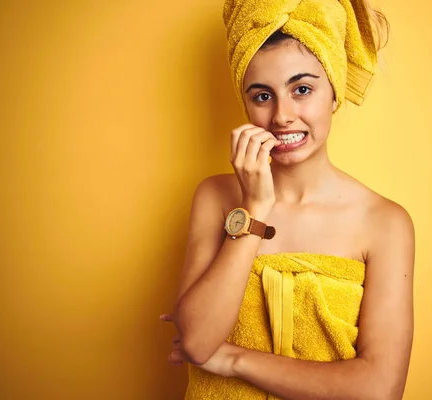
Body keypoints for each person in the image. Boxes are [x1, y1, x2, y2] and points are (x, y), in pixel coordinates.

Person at [160, 0, 415, 398]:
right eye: (262, 96)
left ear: (333, 94)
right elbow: (196, 341)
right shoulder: (216, 196)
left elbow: (378, 390)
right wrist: (254, 209)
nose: (282, 116)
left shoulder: (384, 222)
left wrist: (231, 359)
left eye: (302, 90)